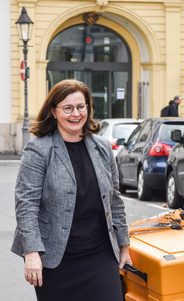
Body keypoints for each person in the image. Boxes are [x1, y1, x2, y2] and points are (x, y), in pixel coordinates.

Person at [11, 79, 133, 300]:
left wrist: (124, 247)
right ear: (54, 111)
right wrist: (32, 253)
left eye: (81, 106)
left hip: (99, 254)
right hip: (55, 259)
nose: (75, 114)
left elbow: (114, 201)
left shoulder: (102, 147)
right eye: (67, 108)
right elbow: (26, 205)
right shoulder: (38, 149)